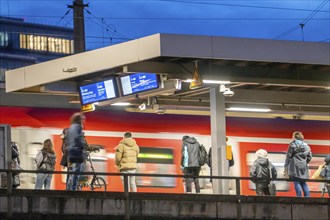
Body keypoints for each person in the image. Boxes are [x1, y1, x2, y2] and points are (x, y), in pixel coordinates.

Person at [284, 131, 312, 197]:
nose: (292, 137)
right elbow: (309, 157)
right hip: (303, 167)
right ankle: (307, 197)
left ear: (295, 137)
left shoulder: (292, 145)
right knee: (304, 183)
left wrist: (286, 166)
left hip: (294, 166)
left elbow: (288, 157)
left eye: (292, 136)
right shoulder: (307, 146)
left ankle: (299, 197)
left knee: (297, 182)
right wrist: (304, 162)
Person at [66, 112, 87, 191]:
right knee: (78, 171)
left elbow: (69, 139)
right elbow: (77, 138)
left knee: (72, 171)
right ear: (79, 120)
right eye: (83, 119)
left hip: (70, 151)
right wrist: (82, 145)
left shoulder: (71, 127)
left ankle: (69, 187)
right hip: (77, 151)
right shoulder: (78, 127)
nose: (83, 121)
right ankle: (74, 188)